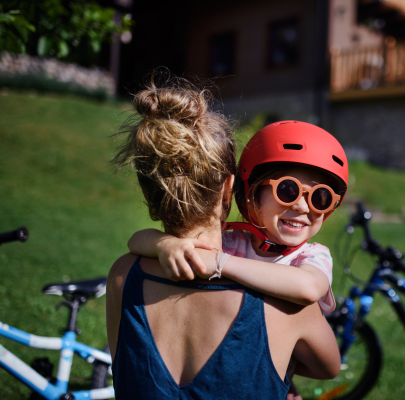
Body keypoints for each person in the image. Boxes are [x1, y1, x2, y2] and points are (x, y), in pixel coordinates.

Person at [106, 75, 340, 400]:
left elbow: (309, 285)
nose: (301, 206)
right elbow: (328, 367)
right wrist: (165, 245)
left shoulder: (122, 275)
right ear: (233, 191)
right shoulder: (289, 310)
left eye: (322, 198)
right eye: (286, 190)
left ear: (150, 191)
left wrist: (217, 262)